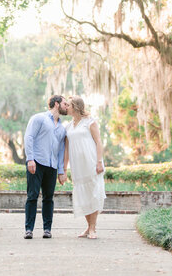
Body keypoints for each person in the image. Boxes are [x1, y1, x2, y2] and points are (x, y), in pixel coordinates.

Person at [23, 94, 68, 239]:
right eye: (65, 104)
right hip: (36, 163)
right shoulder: (39, 118)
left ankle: (47, 229)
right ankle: (28, 229)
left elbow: (61, 150)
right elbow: (29, 137)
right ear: (56, 103)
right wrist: (30, 159)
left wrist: (61, 170)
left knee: (48, 198)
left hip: (52, 166)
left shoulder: (62, 128)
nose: (67, 107)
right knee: (32, 196)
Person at [63, 96, 106, 239]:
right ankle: (88, 227)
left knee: (93, 193)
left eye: (68, 105)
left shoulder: (90, 121)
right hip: (77, 165)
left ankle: (93, 229)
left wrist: (99, 162)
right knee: (83, 196)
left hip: (91, 162)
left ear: (75, 106)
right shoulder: (68, 126)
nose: (66, 107)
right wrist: (64, 167)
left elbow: (98, 141)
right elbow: (67, 149)